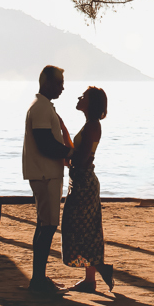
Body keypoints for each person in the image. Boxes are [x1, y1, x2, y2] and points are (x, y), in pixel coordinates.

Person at [22, 65, 75, 294]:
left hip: (45, 173)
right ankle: (38, 281)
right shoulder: (42, 108)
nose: (62, 88)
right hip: (45, 174)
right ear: (45, 81)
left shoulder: (42, 106)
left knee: (44, 224)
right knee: (48, 225)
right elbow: (45, 143)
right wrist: (70, 153)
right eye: (58, 83)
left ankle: (39, 279)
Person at [61, 86, 115, 292]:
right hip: (81, 180)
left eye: (83, 96)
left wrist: (67, 155)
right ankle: (90, 279)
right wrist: (64, 131)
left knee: (80, 228)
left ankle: (98, 269)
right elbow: (77, 155)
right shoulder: (90, 125)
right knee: (85, 228)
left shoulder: (93, 126)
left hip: (83, 183)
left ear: (90, 103)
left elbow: (80, 158)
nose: (79, 98)